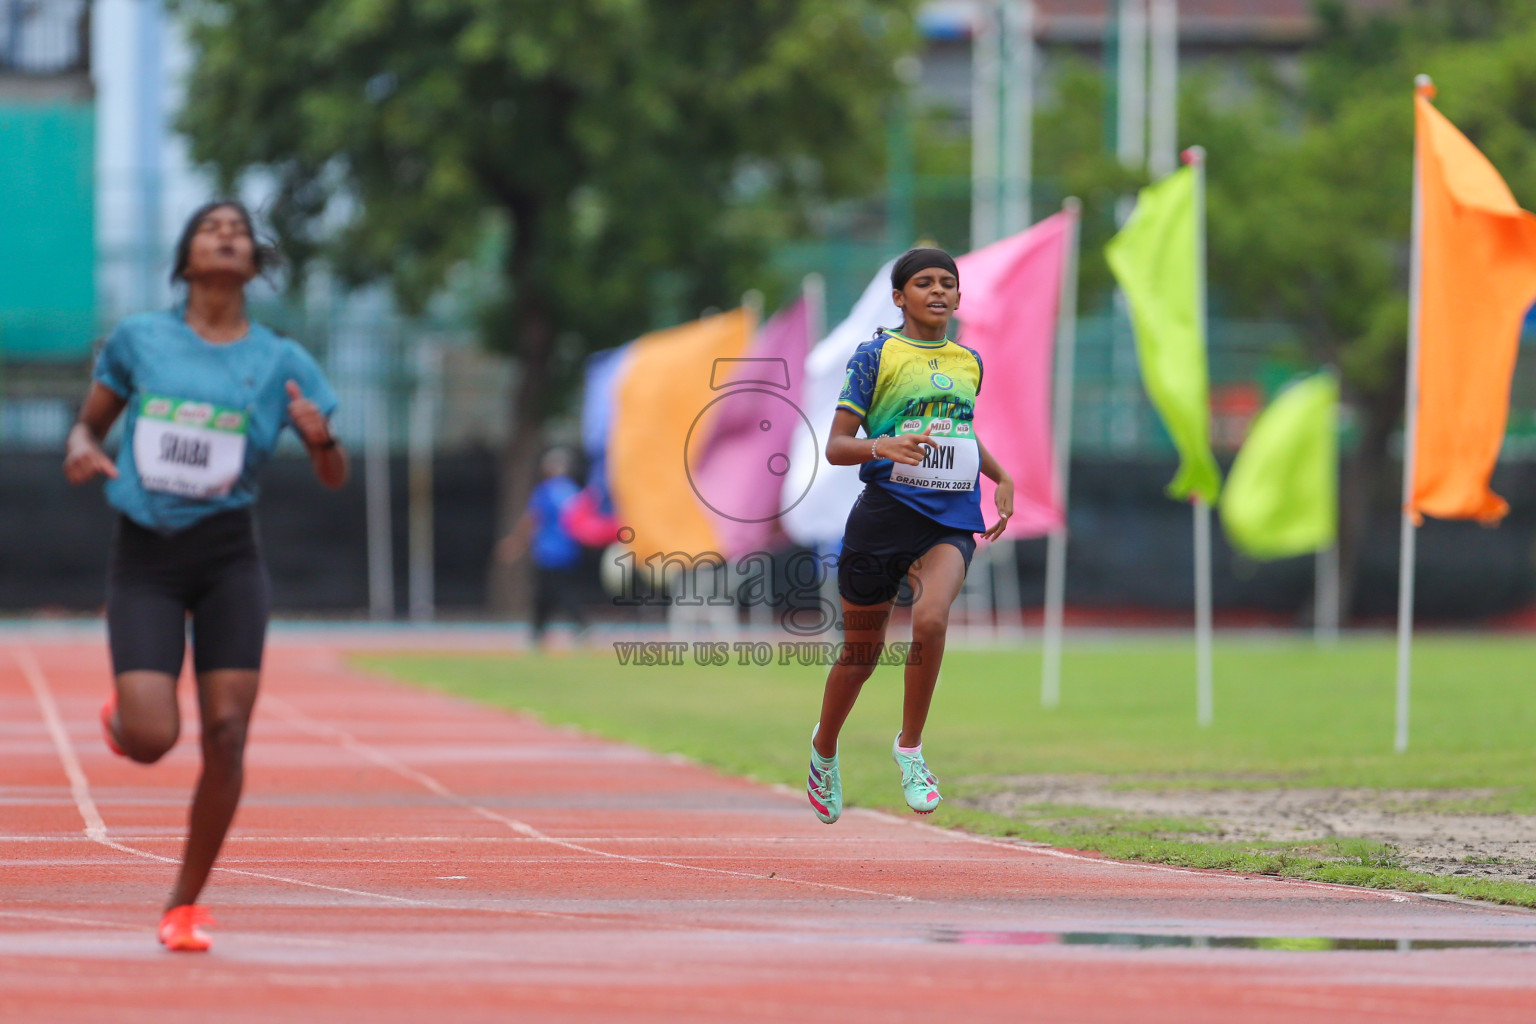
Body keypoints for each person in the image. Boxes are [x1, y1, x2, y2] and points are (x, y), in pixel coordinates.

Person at [63, 201, 347, 951]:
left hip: (229, 557)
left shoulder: (284, 359)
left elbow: (333, 475)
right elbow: (91, 422)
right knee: (155, 738)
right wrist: (82, 443)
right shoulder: (140, 340)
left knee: (226, 733)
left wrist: (322, 440)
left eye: (240, 230)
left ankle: (184, 904)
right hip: (147, 555)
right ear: (186, 257)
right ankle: (125, 715)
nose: (227, 233)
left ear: (255, 263)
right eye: (210, 226)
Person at [807, 247, 1013, 824]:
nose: (939, 291)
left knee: (931, 619)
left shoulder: (969, 360)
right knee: (861, 654)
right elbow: (837, 445)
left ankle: (911, 747)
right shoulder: (878, 354)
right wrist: (883, 445)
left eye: (948, 283)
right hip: (884, 514)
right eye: (924, 283)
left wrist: (1000, 476)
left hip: (949, 517)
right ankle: (824, 749)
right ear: (900, 297)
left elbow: (960, 432)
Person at [496, 448, 588, 643]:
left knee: (543, 595)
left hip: (547, 552)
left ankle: (538, 633)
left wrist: (515, 543)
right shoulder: (574, 491)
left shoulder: (545, 491)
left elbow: (531, 519)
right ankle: (576, 628)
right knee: (566, 592)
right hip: (569, 552)